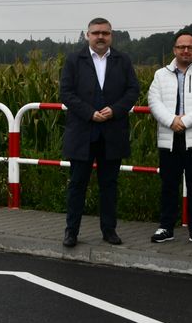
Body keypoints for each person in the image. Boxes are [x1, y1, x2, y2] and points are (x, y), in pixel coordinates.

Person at [60, 18, 142, 247]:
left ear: (111, 36)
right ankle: (71, 232)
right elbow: (66, 93)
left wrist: (115, 110)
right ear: (87, 35)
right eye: (96, 32)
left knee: (109, 186)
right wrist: (89, 113)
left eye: (105, 33)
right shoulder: (74, 60)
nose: (100, 37)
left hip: (112, 133)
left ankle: (109, 231)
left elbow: (133, 90)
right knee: (77, 185)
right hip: (82, 134)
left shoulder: (122, 60)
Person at [147, 30, 192, 245]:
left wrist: (184, 121)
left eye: (190, 47)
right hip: (168, 138)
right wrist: (172, 121)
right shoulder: (160, 75)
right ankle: (166, 227)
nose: (185, 50)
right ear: (174, 50)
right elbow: (154, 102)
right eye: (181, 47)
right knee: (168, 185)